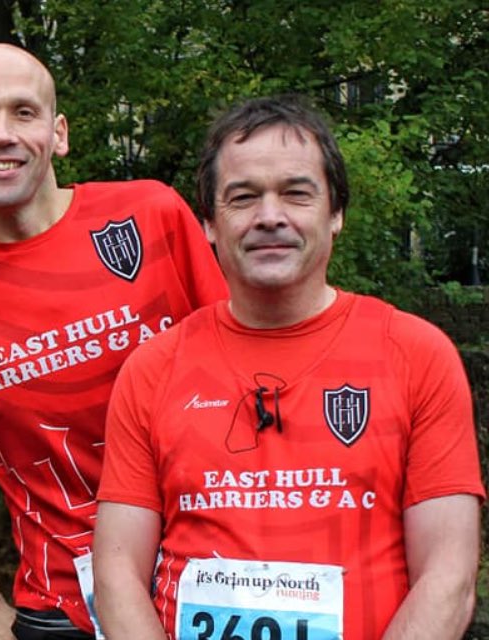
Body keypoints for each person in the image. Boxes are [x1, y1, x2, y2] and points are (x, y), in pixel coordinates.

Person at [93, 95, 485, 640]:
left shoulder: (417, 354)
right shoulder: (153, 368)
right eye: (243, 197)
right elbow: (116, 573)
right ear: (208, 221)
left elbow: (449, 576)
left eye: (296, 194)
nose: (269, 216)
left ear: (336, 213)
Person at [0, 44, 228, 639]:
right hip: (61, 609)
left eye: (23, 112)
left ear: (59, 134)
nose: (2, 134)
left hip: (213, 585)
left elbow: (251, 378)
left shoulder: (150, 215)